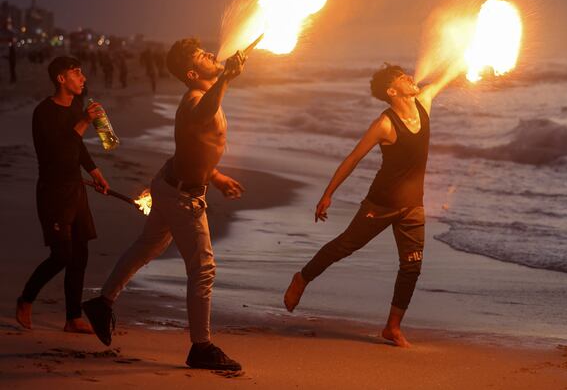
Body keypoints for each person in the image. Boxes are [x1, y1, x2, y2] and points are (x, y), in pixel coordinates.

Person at [82, 38, 248, 371]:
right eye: (202, 56)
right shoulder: (194, 100)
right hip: (182, 196)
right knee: (203, 269)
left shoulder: (203, 97)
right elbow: (202, 117)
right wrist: (227, 78)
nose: (211, 55)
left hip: (172, 185)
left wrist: (215, 177)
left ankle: (102, 302)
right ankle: (200, 347)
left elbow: (194, 146)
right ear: (191, 72)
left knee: (147, 246)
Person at [283, 62, 458, 347]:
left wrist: (467, 50)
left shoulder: (424, 102)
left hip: (413, 205)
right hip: (382, 202)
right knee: (345, 246)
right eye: (403, 77)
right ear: (392, 90)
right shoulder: (384, 124)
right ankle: (302, 278)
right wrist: (328, 194)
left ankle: (392, 327)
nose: (410, 77)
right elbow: (353, 159)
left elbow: (449, 74)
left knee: (412, 266)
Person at [16, 56, 110, 333]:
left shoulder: (77, 106)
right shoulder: (44, 112)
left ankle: (73, 317)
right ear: (61, 79)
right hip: (53, 191)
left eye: (82, 73)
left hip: (76, 188)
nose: (83, 78)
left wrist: (95, 172)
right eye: (76, 73)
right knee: (62, 255)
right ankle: (26, 298)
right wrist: (83, 122)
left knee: (80, 254)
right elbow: (57, 152)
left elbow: (77, 148)